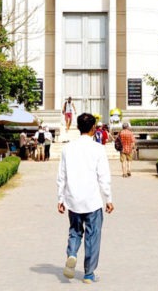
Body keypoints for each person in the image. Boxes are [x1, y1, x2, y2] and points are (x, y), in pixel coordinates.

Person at [57, 112, 113, 284]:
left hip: (73, 199)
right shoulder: (98, 149)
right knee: (93, 235)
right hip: (92, 200)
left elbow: (62, 176)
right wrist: (108, 198)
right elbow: (103, 176)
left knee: (74, 231)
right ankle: (89, 274)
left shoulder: (67, 148)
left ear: (77, 127)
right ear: (93, 128)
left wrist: (60, 198)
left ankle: (72, 253)